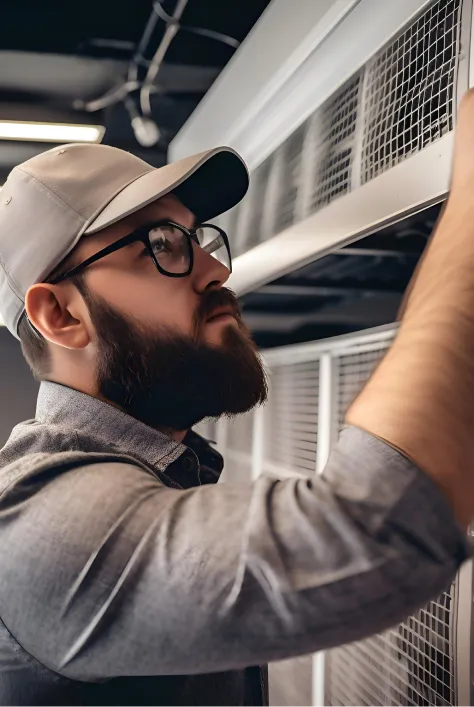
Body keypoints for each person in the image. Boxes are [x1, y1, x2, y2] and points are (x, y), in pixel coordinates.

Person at [1, 87, 474, 707]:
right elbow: (370, 531)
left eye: (196, 238)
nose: (215, 269)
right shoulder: (33, 526)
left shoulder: (162, 468)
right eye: (162, 244)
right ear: (60, 315)